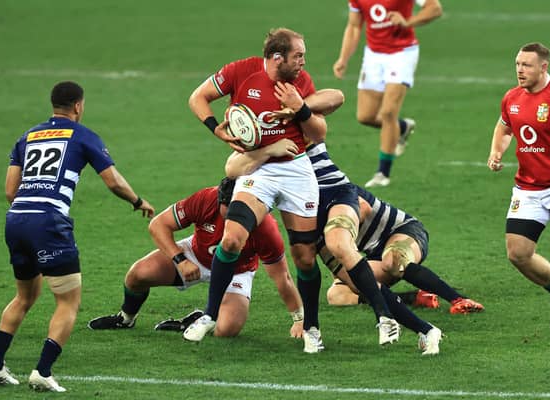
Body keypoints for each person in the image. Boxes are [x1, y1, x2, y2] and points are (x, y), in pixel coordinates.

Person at [186, 28, 394, 353]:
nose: (303, 62)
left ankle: (311, 327)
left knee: (305, 258)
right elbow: (197, 98)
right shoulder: (240, 71)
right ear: (277, 57)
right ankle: (209, 315)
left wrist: (299, 108)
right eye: (298, 55)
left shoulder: (300, 83)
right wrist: (217, 131)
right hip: (260, 169)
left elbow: (320, 132)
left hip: (297, 170)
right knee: (231, 238)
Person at [226, 90, 445, 355]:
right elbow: (232, 168)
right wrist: (266, 150)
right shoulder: (259, 141)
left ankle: (383, 318)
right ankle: (426, 330)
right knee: (333, 274)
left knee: (340, 244)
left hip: (336, 191)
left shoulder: (298, 118)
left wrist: (299, 107)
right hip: (306, 212)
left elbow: (336, 97)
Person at [0, 81, 155, 392]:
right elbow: (113, 181)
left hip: (16, 220)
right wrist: (137, 201)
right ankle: (42, 371)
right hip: (49, 223)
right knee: (68, 300)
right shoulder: (82, 135)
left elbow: (10, 191)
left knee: (24, 297)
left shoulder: (26, 137)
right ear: (78, 106)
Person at [87, 178, 304, 339]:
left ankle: (196, 319)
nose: (234, 222)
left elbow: (282, 277)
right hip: (195, 255)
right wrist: (180, 259)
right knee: (138, 274)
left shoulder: (266, 228)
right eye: (229, 214)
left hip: (237, 272)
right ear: (220, 199)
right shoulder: (206, 199)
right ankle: (125, 319)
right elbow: (158, 225)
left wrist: (299, 318)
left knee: (227, 330)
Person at [488, 42, 550, 331]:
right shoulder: (512, 97)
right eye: (518, 64)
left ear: (543, 67)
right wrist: (497, 151)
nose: (520, 70)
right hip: (527, 190)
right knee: (517, 253)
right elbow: (505, 127)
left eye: (527, 65)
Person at [323, 185, 484, 316]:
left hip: (403, 230)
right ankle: (413, 298)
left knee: (393, 259)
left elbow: (364, 208)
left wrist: (345, 242)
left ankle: (459, 300)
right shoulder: (306, 215)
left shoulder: (330, 184)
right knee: (336, 295)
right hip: (375, 254)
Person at [333, 0, 442, 187]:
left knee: (388, 112)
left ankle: (382, 173)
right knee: (365, 116)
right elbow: (353, 26)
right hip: (373, 56)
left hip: (402, 53)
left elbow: (435, 8)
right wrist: (343, 58)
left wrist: (409, 22)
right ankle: (402, 127)